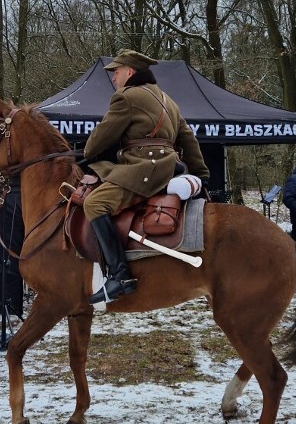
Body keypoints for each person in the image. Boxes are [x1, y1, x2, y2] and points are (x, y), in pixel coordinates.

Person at [82, 49, 210, 304]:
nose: (113, 78)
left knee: (94, 203)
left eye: (116, 72)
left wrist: (89, 150)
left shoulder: (126, 97)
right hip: (171, 165)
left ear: (130, 72)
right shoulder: (168, 100)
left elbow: (98, 141)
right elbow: (188, 139)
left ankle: (120, 276)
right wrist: (201, 174)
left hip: (145, 169)